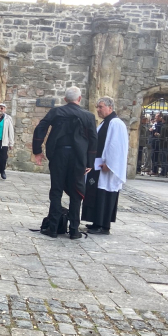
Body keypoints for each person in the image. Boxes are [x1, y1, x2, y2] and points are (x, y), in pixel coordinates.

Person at [32, 86, 97, 239]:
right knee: (76, 192)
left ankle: (53, 228)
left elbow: (41, 127)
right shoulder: (88, 116)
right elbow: (93, 138)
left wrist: (37, 150)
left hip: (59, 154)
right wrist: (90, 161)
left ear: (65, 99)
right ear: (79, 99)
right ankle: (74, 230)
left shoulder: (57, 112)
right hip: (78, 157)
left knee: (56, 190)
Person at [82, 97, 128, 235]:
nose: (98, 110)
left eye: (100, 107)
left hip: (107, 168)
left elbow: (116, 146)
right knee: (97, 193)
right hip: (99, 166)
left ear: (110, 107)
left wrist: (110, 163)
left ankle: (103, 225)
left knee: (104, 194)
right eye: (97, 107)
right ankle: (96, 221)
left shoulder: (116, 123)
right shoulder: (104, 123)